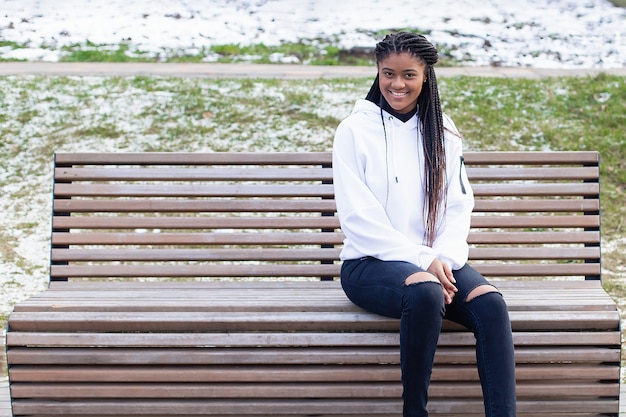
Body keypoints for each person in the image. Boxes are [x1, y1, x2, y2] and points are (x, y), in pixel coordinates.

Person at [332, 32, 517, 417]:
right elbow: (357, 218)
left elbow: (458, 204)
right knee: (425, 292)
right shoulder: (354, 130)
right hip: (369, 264)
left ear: (426, 76)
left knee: (491, 305)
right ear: (377, 74)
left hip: (438, 262)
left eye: (408, 75)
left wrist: (442, 258)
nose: (397, 84)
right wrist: (421, 259)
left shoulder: (443, 130)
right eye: (388, 74)